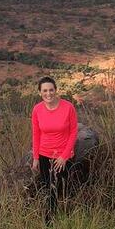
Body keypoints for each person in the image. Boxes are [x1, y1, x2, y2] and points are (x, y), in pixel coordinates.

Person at [30, 76, 77, 221]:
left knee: (62, 187)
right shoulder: (37, 109)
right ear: (40, 92)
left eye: (51, 90)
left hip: (63, 155)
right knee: (49, 189)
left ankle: (64, 216)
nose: (48, 93)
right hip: (45, 154)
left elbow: (73, 131)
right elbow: (36, 133)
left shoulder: (68, 107)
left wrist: (64, 156)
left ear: (56, 90)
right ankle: (49, 220)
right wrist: (36, 157)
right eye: (45, 90)